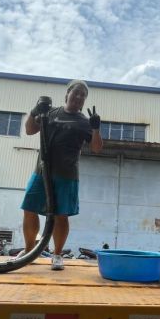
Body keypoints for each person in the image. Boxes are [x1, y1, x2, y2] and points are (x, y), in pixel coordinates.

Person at [21, 80, 103, 270]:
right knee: (29, 208)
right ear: (67, 93)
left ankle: (57, 255)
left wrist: (96, 128)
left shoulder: (84, 122)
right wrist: (34, 111)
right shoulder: (50, 113)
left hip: (67, 175)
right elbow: (29, 130)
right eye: (77, 92)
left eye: (83, 95)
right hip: (41, 171)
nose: (79, 97)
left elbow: (97, 148)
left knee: (61, 216)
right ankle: (29, 251)